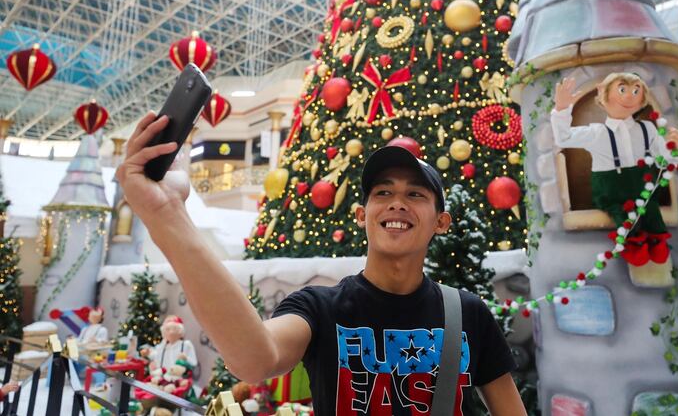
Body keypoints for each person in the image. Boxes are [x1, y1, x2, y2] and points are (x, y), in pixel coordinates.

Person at [116, 112, 526, 415]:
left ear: (442, 222)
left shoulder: (467, 313)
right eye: (382, 193)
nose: (397, 202)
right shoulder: (320, 308)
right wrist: (168, 215)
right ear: (362, 215)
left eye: (416, 194)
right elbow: (254, 359)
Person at [551, 73, 678, 266]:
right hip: (612, 192)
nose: (630, 96)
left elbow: (665, 158)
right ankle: (634, 244)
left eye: (636, 91)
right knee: (624, 215)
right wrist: (562, 109)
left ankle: (657, 240)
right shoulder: (596, 133)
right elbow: (563, 138)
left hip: (644, 190)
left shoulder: (648, 129)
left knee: (651, 211)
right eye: (622, 89)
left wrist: (674, 145)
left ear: (642, 100)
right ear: (603, 96)